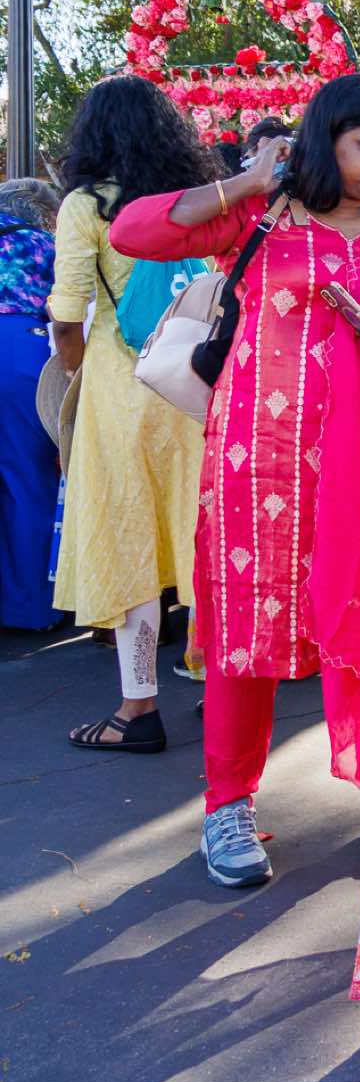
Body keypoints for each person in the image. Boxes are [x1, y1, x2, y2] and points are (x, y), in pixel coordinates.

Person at [111, 73, 360, 889]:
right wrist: (248, 180)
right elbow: (132, 230)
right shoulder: (263, 214)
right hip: (258, 459)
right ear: (325, 138)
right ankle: (227, 804)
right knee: (242, 631)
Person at [51, 77, 211, 753]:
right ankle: (222, 691)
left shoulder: (86, 205)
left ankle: (137, 706)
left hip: (123, 390)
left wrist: (73, 369)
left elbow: (68, 312)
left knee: (128, 538)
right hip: (198, 384)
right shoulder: (198, 197)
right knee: (203, 533)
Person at [0, 177, 65, 630]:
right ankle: (30, 607)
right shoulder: (43, 246)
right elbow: (68, 311)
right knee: (26, 479)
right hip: (21, 354)